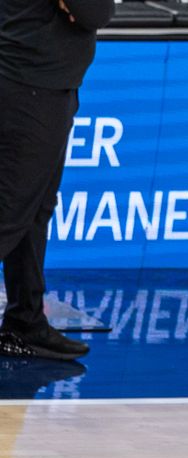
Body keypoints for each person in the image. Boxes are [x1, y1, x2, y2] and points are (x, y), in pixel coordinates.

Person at [0, 0, 110, 361]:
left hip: (41, 80)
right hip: (29, 82)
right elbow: (97, 12)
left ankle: (25, 323)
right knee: (11, 214)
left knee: (34, 213)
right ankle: (24, 321)